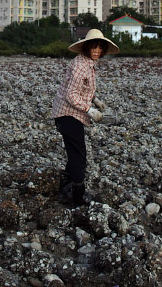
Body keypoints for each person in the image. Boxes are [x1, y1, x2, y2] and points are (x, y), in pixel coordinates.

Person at [51, 28, 119, 206]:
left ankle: (64, 187)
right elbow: (71, 95)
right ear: (86, 47)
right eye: (93, 47)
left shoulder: (88, 63)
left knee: (75, 153)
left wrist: (96, 100)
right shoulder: (80, 66)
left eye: (100, 48)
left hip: (71, 113)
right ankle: (77, 198)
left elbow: (83, 88)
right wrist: (89, 109)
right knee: (79, 155)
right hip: (67, 113)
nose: (97, 50)